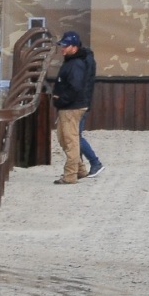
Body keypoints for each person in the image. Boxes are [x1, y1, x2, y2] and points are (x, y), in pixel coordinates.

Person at [51, 31, 97, 184]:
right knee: (65, 139)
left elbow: (75, 87)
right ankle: (80, 170)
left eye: (65, 45)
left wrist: (61, 100)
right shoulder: (73, 61)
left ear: (74, 47)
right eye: (62, 45)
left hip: (71, 107)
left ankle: (70, 175)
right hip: (71, 106)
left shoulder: (75, 64)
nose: (62, 48)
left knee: (70, 141)